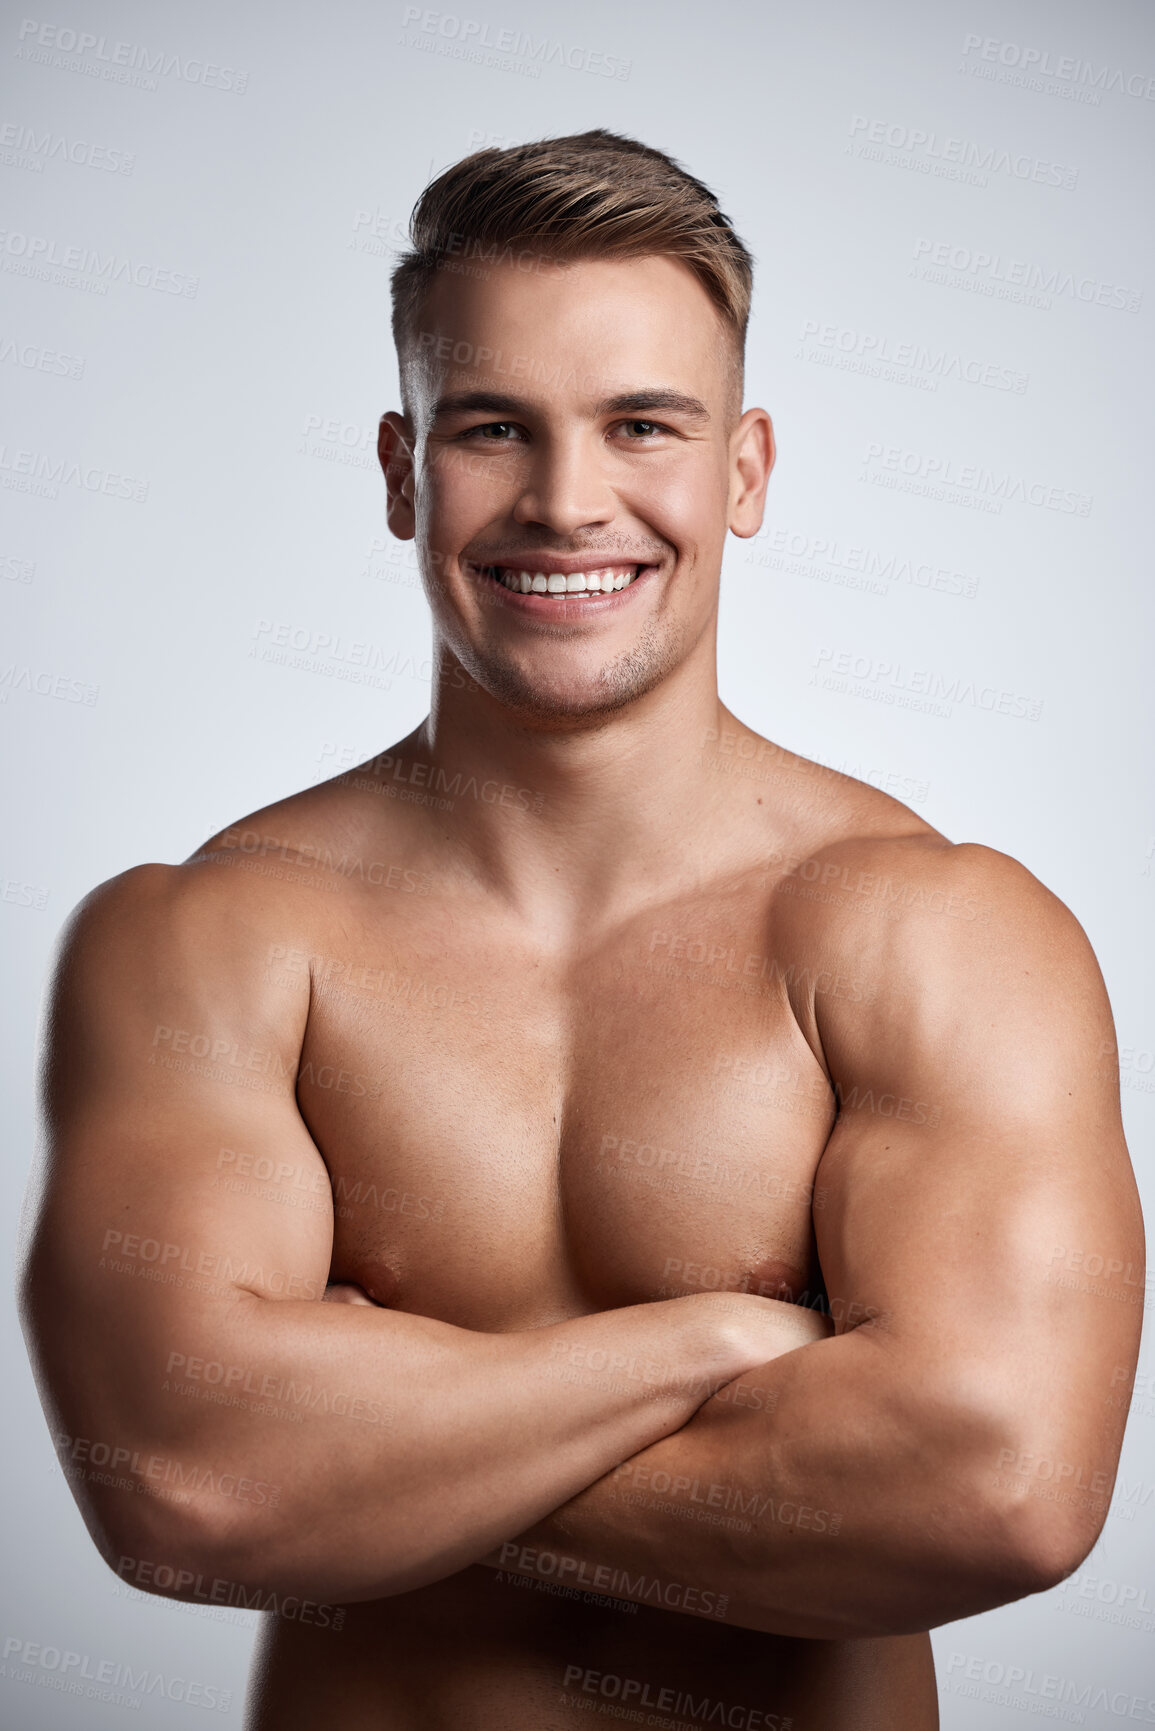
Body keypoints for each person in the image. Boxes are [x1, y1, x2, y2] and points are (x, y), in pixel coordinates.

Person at [22, 130, 1143, 1730]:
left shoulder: (935, 930)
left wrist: (357, 1459)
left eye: (641, 427)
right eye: (494, 429)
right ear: (406, 468)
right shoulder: (208, 942)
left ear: (742, 472)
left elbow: (1004, 1491)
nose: (566, 503)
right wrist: (715, 1344)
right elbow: (183, 1486)